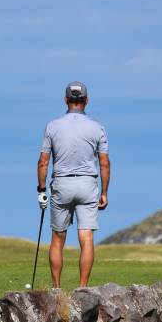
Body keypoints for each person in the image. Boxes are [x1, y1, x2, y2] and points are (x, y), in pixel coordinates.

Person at [37, 81, 110, 288]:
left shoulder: (53, 126)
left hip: (62, 184)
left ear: (65, 100)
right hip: (88, 185)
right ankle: (83, 288)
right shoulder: (97, 127)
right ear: (86, 100)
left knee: (58, 239)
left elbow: (43, 161)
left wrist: (41, 190)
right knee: (86, 238)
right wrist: (104, 192)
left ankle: (57, 289)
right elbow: (104, 162)